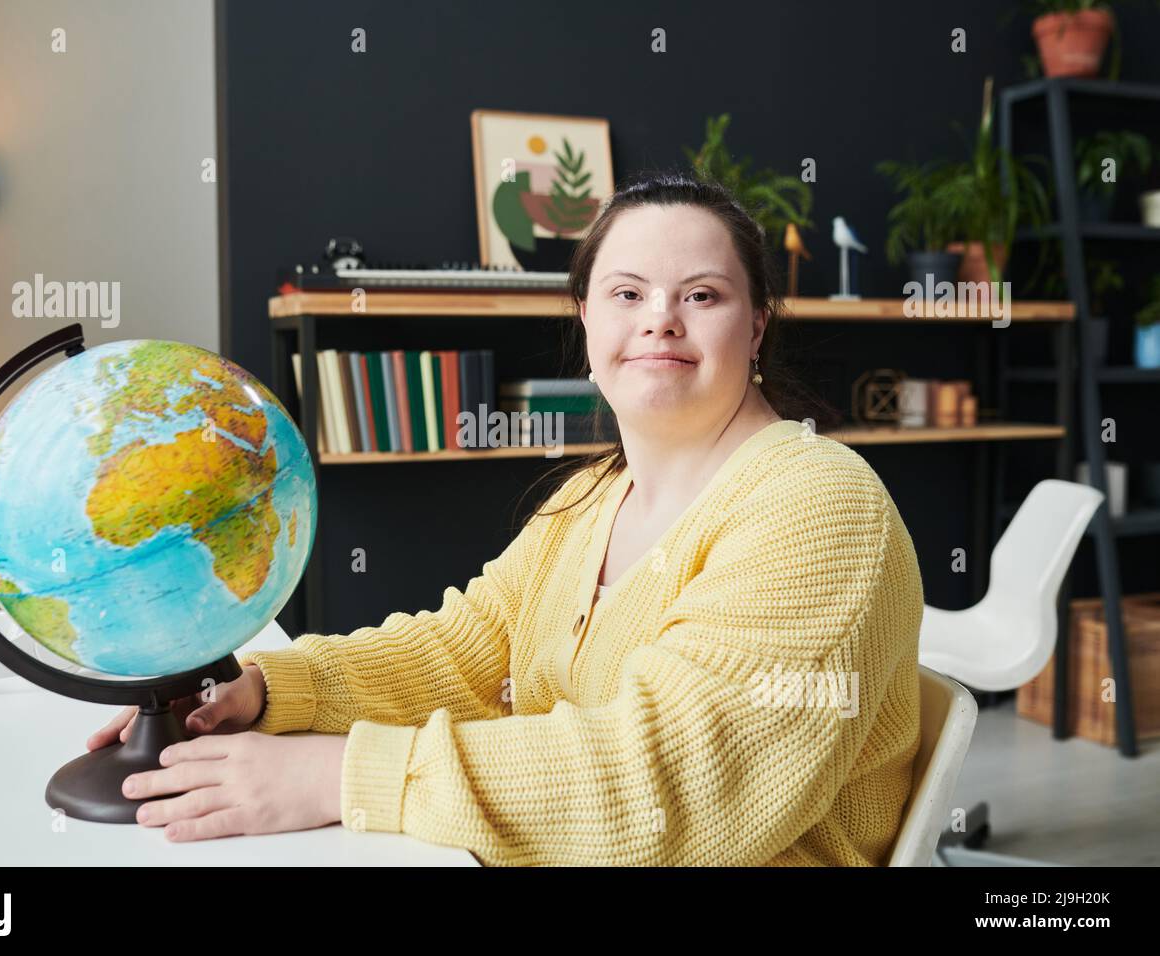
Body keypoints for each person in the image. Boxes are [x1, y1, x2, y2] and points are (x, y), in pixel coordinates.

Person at [87, 169, 924, 866]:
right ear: (588, 321)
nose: (659, 318)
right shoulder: (592, 493)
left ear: (757, 328)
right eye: (627, 292)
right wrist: (271, 690)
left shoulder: (818, 506)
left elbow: (673, 788)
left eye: (701, 294)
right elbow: (464, 654)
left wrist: (342, 775)